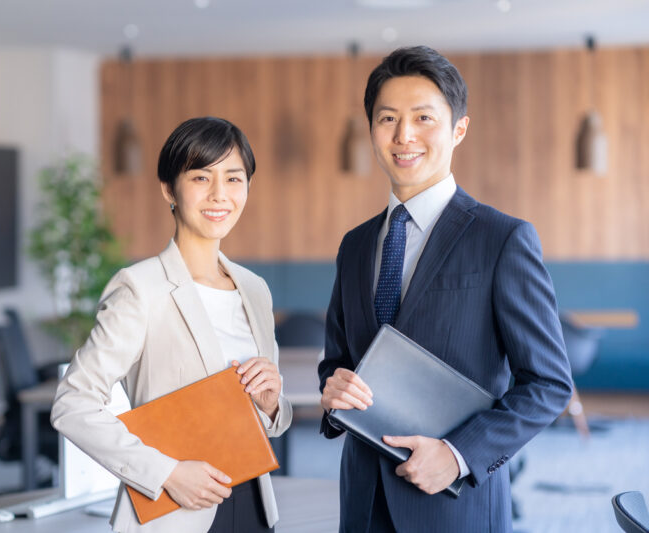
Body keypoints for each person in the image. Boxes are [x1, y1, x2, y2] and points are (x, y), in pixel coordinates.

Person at [317, 46, 573, 532]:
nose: (404, 135)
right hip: (361, 503)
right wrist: (333, 392)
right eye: (387, 118)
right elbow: (337, 361)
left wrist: (459, 456)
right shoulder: (354, 246)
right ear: (371, 130)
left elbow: (548, 384)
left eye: (423, 118)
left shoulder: (502, 239)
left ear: (458, 129)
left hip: (457, 507)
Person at [52, 116, 292, 533]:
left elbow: (271, 419)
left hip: (253, 506)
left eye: (234, 179)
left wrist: (271, 404)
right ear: (169, 189)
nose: (220, 195)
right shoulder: (140, 288)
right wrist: (166, 473)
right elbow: (72, 403)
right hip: (173, 512)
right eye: (201, 177)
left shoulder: (255, 290)